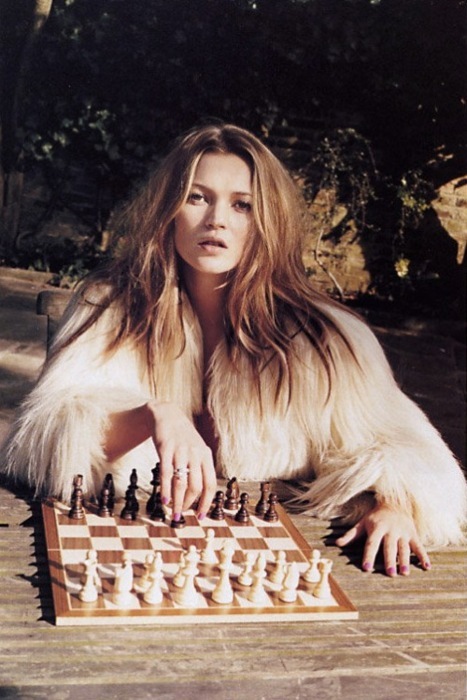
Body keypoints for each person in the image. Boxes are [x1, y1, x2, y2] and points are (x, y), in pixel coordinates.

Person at [2, 123, 466, 577]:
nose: (216, 220)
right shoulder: (109, 308)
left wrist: (397, 506)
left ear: (267, 221)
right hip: (136, 547)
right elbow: (42, 439)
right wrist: (154, 414)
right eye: (197, 197)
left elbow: (405, 449)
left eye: (242, 204)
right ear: (168, 209)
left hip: (267, 562)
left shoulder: (327, 338)